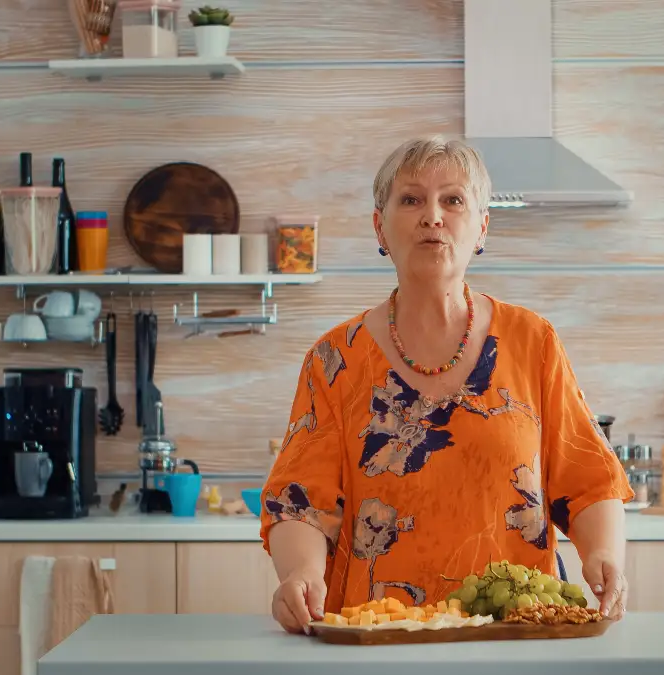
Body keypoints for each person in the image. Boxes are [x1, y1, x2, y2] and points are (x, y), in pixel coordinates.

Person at [259, 135, 634, 635]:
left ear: (481, 227)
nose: (432, 216)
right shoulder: (335, 359)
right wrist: (302, 574)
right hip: (377, 639)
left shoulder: (533, 342)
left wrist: (604, 554)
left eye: (452, 200)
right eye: (411, 199)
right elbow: (301, 504)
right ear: (380, 226)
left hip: (518, 632)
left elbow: (588, 481)